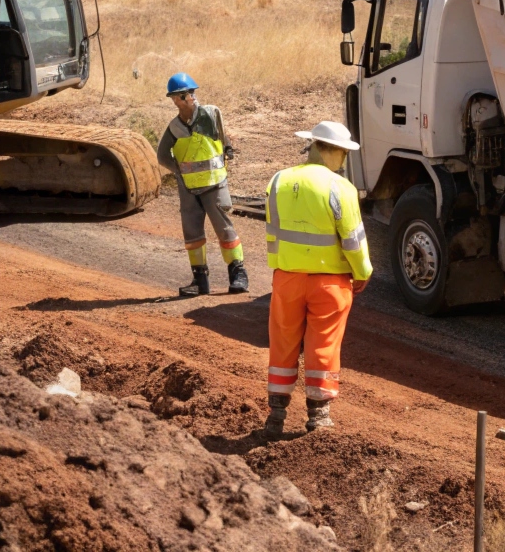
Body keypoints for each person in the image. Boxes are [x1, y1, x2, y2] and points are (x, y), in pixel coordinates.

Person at [263, 120, 372, 435]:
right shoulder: (341, 188)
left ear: (312, 145)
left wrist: (283, 265)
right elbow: (352, 240)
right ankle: (319, 417)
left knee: (282, 342)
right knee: (323, 343)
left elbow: (273, 231)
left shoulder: (278, 180)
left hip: (286, 278)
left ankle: (276, 416)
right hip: (330, 283)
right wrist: (362, 272)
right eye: (344, 155)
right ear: (336, 152)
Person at [157, 72, 248, 297]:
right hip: (188, 189)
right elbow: (162, 156)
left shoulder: (211, 113)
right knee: (192, 234)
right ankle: (200, 281)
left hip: (215, 184)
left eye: (192, 92)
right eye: (186, 94)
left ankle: (238, 274)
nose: (192, 97)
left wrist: (228, 149)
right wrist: (180, 172)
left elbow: (223, 136)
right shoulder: (174, 128)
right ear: (175, 99)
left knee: (225, 229)